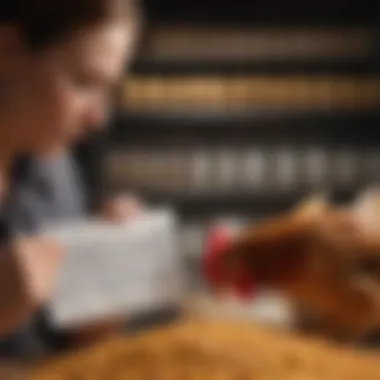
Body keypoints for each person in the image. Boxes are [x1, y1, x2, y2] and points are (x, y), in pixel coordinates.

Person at [0, 0, 141, 357]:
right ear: (8, 48)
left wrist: (91, 315)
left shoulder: (54, 174)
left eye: (108, 90)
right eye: (83, 83)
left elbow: (51, 352)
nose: (98, 118)